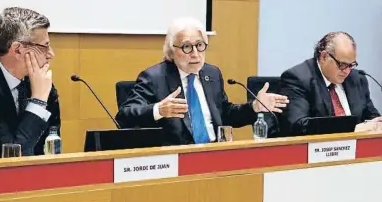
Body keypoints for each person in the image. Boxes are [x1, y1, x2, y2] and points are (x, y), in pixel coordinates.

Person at [115, 17, 289, 145]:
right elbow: (125, 116)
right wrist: (158, 110)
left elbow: (226, 113)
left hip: (215, 154)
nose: (196, 54)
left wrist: (254, 107)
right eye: (186, 47)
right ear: (171, 50)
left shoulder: (211, 73)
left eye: (200, 45)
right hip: (176, 159)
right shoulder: (154, 77)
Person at [0, 7, 61, 159]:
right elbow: (10, 160)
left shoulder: (37, 80)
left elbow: (51, 148)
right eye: (45, 46)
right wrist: (38, 102)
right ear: (17, 50)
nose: (51, 54)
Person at [279, 31, 381, 136]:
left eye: (351, 65)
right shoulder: (298, 78)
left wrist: (377, 124)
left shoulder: (357, 79)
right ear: (324, 57)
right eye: (342, 65)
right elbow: (299, 126)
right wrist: (352, 129)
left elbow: (372, 118)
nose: (347, 71)